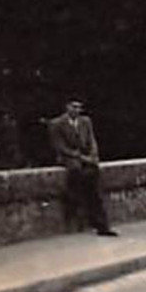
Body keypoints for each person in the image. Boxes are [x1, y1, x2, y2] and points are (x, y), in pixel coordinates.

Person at [48, 99, 117, 236]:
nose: (77, 110)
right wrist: (79, 156)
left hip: (85, 159)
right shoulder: (56, 124)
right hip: (69, 159)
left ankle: (102, 225)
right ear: (67, 107)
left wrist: (93, 155)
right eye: (74, 106)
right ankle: (76, 206)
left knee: (95, 183)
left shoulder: (86, 122)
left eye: (79, 107)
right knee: (76, 173)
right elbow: (59, 146)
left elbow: (92, 141)